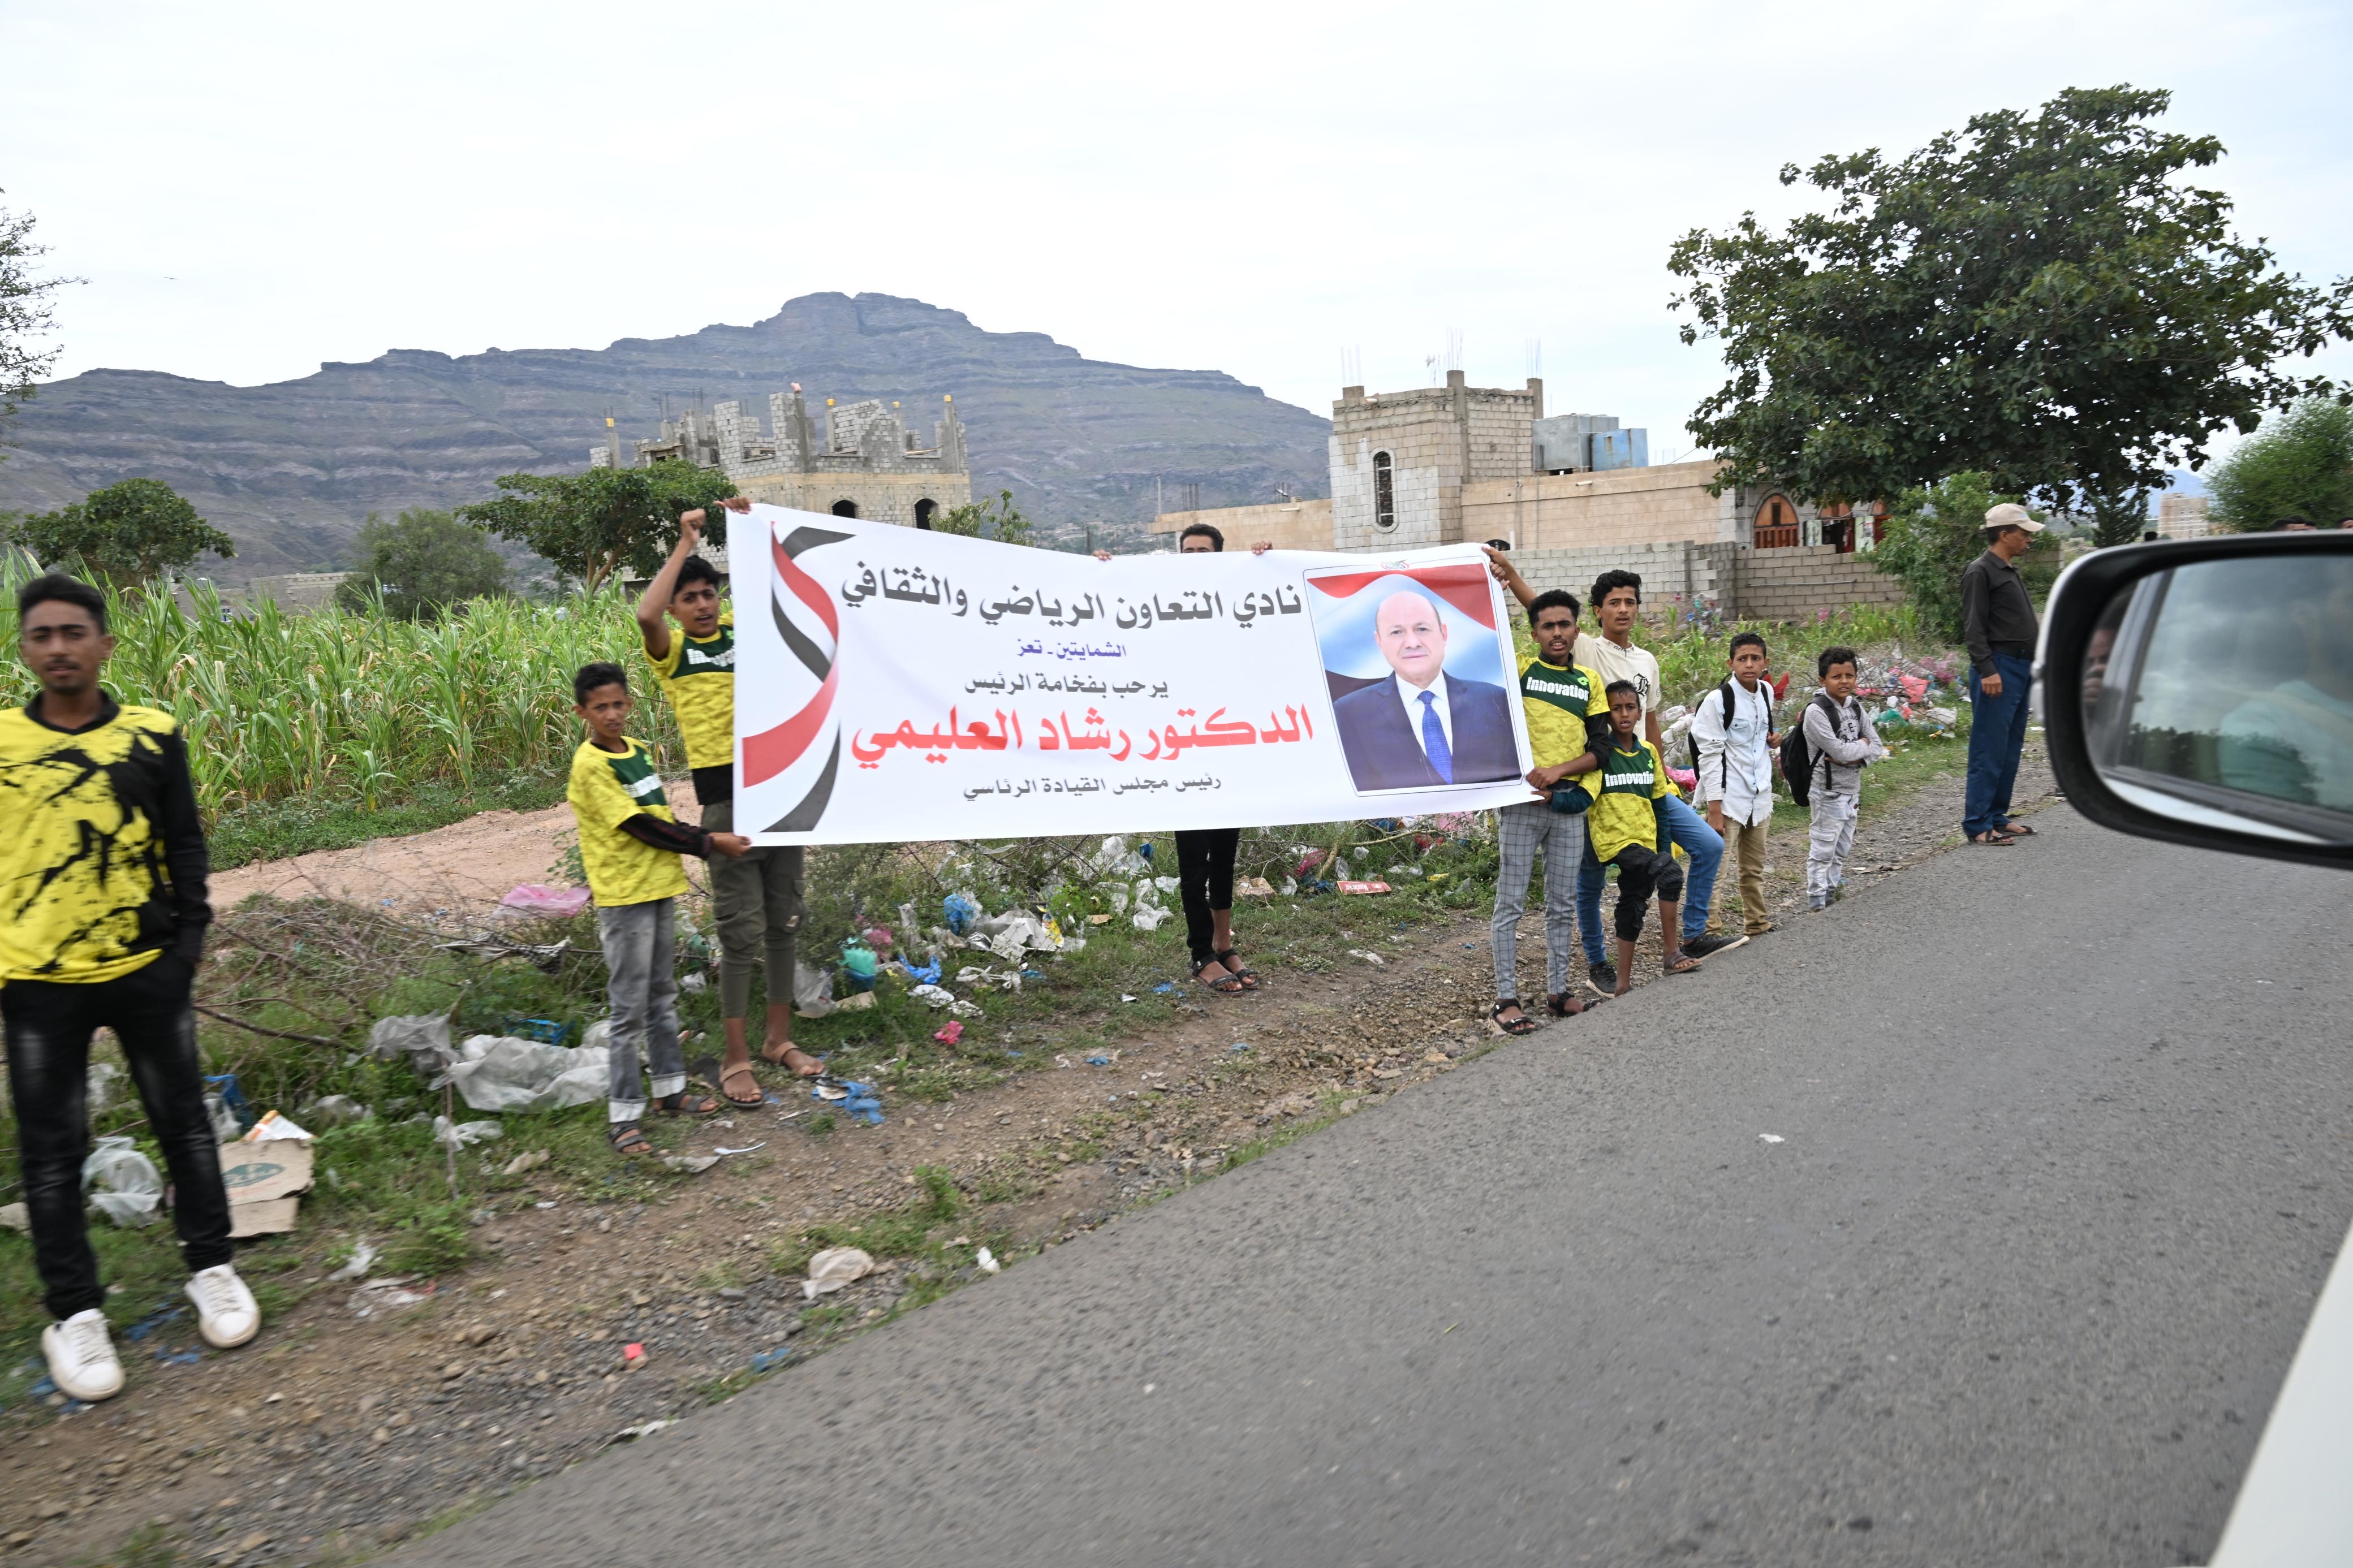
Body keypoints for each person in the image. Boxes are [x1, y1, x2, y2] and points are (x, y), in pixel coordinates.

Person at [2, 574, 258, 1404]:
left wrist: (186, 946)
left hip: (146, 971)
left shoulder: (153, 737)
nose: (59, 648)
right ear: (24, 647)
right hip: (38, 982)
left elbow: (185, 842)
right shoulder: (2, 744)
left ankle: (211, 1268)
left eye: (75, 633)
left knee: (184, 1126)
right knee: (51, 1157)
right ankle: (75, 1313)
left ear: (105, 645)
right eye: (42, 634)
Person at [638, 500, 824, 1105]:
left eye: (708, 595)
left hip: (777, 791)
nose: (701, 604)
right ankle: (736, 1056)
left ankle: (778, 1041)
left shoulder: (750, 640)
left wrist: (752, 529)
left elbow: (792, 603)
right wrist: (685, 543)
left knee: (782, 921)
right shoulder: (674, 655)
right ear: (676, 607)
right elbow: (645, 612)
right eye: (689, 597)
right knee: (738, 932)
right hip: (724, 802)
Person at [567, 662, 751, 1156]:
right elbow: (641, 827)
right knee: (627, 1010)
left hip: (658, 887)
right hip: (624, 897)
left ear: (629, 703)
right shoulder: (590, 766)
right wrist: (710, 841)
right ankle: (623, 1116)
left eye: (618, 704)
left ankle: (670, 1090)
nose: (611, 714)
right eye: (600, 707)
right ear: (582, 711)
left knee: (662, 996)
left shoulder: (639, 753)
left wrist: (697, 839)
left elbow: (663, 817)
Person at [1097, 523, 1272, 992]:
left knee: (1224, 857)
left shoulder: (1235, 599)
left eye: (1204, 551)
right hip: (1182, 752)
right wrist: (1101, 575)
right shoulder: (1162, 600)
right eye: (1187, 551)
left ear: (1220, 555)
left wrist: (1264, 563)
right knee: (1193, 859)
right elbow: (1120, 610)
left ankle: (1224, 943)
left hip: (1227, 747)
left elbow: (1271, 611)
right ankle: (1201, 954)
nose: (1195, 557)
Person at [1568, 569, 1733, 987]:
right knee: (1591, 877)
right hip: (1603, 785)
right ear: (1597, 611)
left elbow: (1653, 725)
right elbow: (1545, 610)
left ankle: (1691, 935)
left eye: (1630, 602)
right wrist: (1508, 573)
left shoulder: (1647, 661)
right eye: (1614, 602)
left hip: (1646, 779)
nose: (1623, 609)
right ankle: (1597, 964)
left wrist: (1663, 773)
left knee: (1708, 845)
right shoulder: (1588, 649)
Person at [1484, 581, 1609, 1032]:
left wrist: (1557, 773)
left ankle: (1558, 992)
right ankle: (1505, 1000)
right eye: (1547, 626)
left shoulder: (1589, 682)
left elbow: (1602, 748)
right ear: (1534, 634)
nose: (1557, 633)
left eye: (1564, 625)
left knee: (1561, 903)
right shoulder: (1518, 671)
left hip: (1568, 805)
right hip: (1521, 805)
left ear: (1577, 630)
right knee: (1510, 903)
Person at [1575, 681, 1701, 994]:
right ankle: (1672, 953)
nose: (1624, 714)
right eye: (1616, 708)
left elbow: (1660, 806)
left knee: (1633, 902)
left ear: (1640, 711)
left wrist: (1663, 849)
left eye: (1630, 707)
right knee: (1671, 876)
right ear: (1606, 714)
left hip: (1644, 841)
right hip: (1614, 841)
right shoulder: (1599, 754)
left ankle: (1622, 985)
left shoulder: (1647, 754)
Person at [1329, 587, 1520, 790]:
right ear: (1379, 642)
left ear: (1443, 633)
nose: (1412, 643)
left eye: (1422, 629)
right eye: (1396, 632)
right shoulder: (1351, 713)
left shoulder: (1494, 699)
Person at [1960, 502, 2044, 845]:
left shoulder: (2008, 570)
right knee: (1988, 748)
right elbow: (1974, 627)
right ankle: (1978, 823)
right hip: (1999, 668)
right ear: (2004, 534)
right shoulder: (1980, 571)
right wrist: (1987, 669)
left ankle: (1997, 816)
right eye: (2024, 534)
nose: (2028, 539)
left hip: (2021, 668)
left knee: (2010, 747)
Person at [1689, 630, 1778, 941]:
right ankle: (1707, 934)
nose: (1749, 665)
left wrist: (1774, 739)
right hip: (1728, 800)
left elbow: (1760, 737)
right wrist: (1714, 807)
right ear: (1731, 662)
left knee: (1754, 868)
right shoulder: (1718, 701)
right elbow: (1709, 756)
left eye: (1756, 659)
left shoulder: (1766, 692)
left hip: (1760, 796)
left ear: (1766, 663)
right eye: (1743, 659)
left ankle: (1758, 924)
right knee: (1716, 871)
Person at [1800, 646, 1886, 909]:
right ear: (1822, 680)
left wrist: (1856, 754)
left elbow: (1878, 746)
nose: (1844, 681)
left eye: (1850, 675)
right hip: (1828, 792)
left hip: (1852, 791)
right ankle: (1816, 900)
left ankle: (1832, 894)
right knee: (1823, 849)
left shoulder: (1856, 707)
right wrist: (1862, 748)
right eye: (1837, 677)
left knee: (1841, 849)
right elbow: (1837, 751)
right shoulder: (1817, 712)